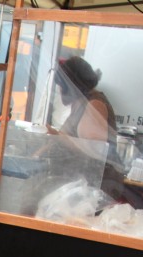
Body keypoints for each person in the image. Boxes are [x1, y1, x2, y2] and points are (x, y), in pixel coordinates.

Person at [49, 56, 124, 201]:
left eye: (61, 86)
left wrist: (57, 136)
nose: (59, 90)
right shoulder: (79, 104)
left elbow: (93, 148)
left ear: (71, 85)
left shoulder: (94, 104)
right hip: (82, 182)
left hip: (97, 185)